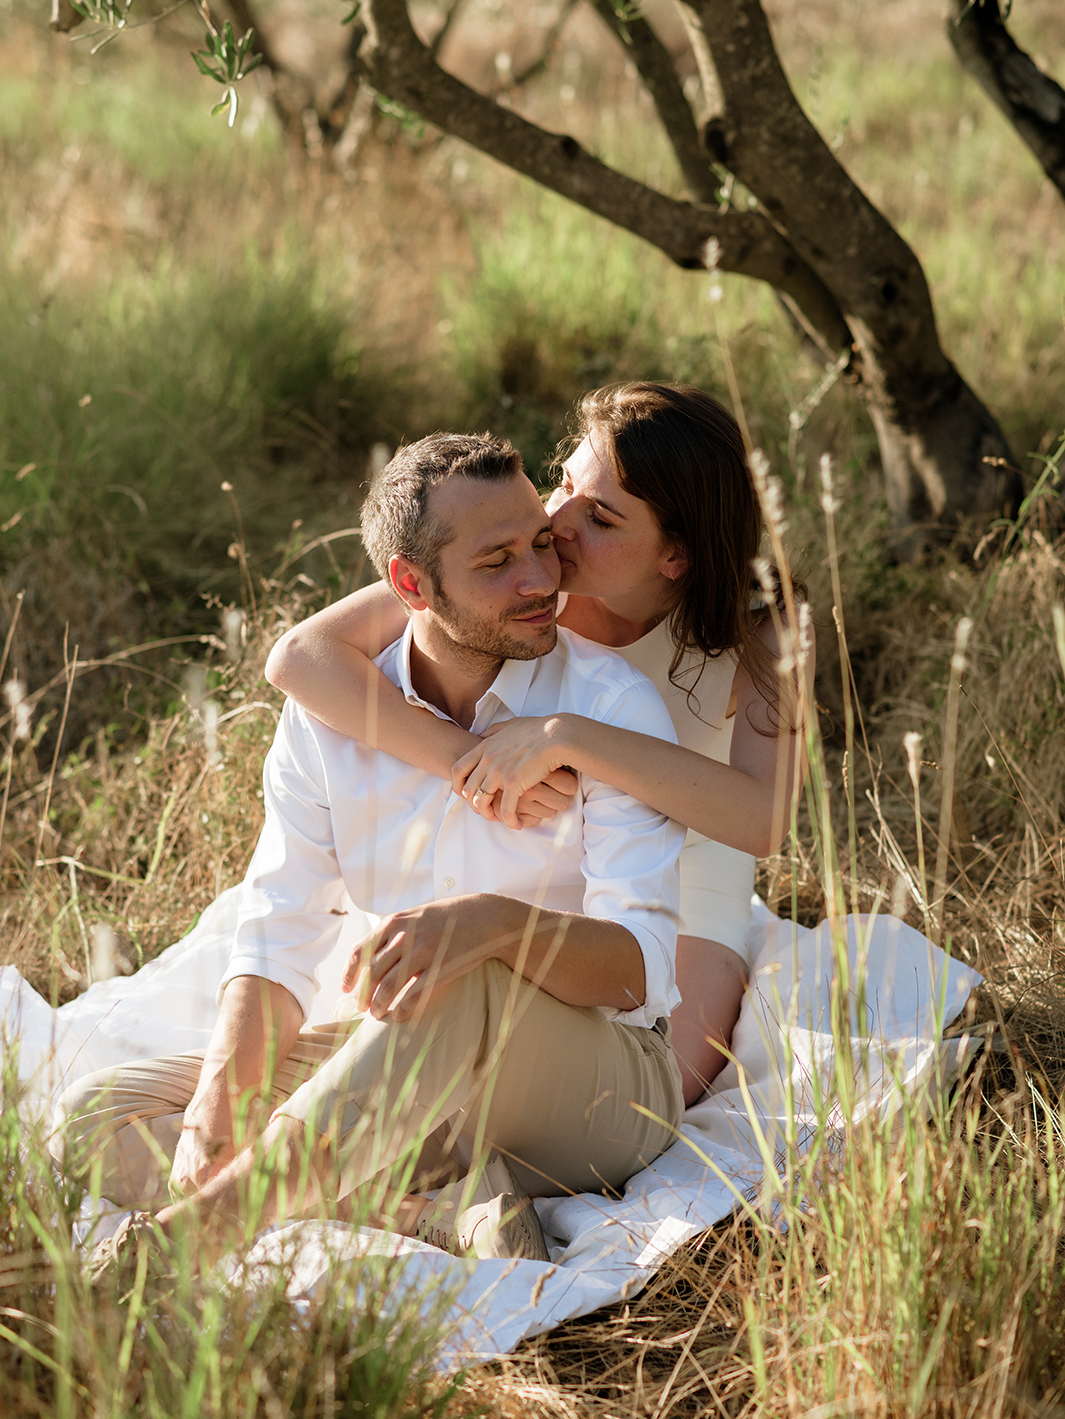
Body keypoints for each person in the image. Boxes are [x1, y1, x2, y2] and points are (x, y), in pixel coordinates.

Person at [53, 432, 688, 1275]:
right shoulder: (333, 717)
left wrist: (492, 927)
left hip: (606, 1088)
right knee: (94, 1118)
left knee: (461, 978)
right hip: (409, 1055)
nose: (540, 580)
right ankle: (430, 1215)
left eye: (540, 543)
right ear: (408, 584)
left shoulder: (609, 707)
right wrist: (223, 1093)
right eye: (496, 561)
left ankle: (181, 1245)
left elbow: (637, 969)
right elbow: (283, 918)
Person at [266, 383, 810, 1108]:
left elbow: (762, 821)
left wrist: (569, 738)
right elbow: (300, 657)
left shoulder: (767, 629)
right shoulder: (528, 584)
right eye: (564, 484)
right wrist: (466, 762)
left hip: (689, 866)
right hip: (537, 847)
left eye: (600, 516)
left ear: (674, 554)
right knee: (430, 1038)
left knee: (652, 1094)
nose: (555, 520)